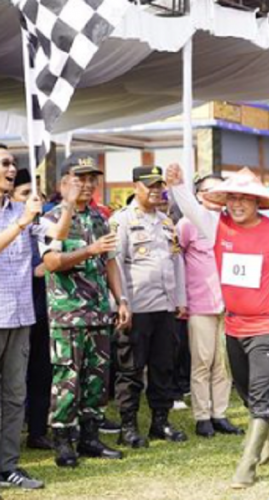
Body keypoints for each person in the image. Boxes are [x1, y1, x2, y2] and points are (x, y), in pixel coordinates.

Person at [168, 164, 269, 490]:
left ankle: (247, 465)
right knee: (247, 393)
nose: (237, 205)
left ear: (258, 202)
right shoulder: (216, 226)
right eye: (232, 199)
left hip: (267, 327)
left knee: (261, 397)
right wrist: (178, 186)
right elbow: (190, 209)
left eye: (244, 199)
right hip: (234, 327)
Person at [41, 155, 132, 467]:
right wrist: (88, 250)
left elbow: (110, 263)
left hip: (96, 313)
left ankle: (90, 437)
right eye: (80, 178)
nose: (88, 184)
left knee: (96, 379)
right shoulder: (50, 218)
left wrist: (120, 300)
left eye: (92, 178)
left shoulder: (98, 218)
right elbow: (51, 263)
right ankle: (63, 442)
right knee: (67, 378)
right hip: (67, 316)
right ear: (63, 183)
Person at [0, 144, 75, 489]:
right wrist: (21, 221)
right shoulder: (20, 215)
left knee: (15, 394)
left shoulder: (22, 208)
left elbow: (55, 237)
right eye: (4, 163)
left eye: (13, 163)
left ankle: (8, 466)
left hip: (21, 315)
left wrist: (68, 205)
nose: (11, 168)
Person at [110, 166, 188, 448]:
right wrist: (122, 303)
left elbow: (176, 262)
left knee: (163, 366)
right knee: (130, 369)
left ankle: (160, 421)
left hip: (165, 307)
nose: (156, 190)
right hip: (136, 307)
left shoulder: (166, 222)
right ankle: (128, 426)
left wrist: (181, 299)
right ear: (135, 187)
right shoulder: (121, 220)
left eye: (159, 185)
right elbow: (114, 264)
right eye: (150, 185)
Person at [176, 172, 243, 438]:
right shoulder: (187, 223)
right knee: (202, 361)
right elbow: (177, 261)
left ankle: (220, 414)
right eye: (212, 190)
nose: (219, 195)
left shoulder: (231, 223)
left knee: (222, 363)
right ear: (199, 195)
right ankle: (202, 416)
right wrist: (181, 300)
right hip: (199, 303)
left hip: (229, 304)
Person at [10, 169, 52, 451]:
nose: (33, 201)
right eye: (26, 194)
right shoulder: (10, 225)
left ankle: (37, 430)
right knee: (13, 379)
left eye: (38, 195)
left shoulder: (45, 225)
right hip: (12, 310)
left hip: (43, 308)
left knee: (41, 371)